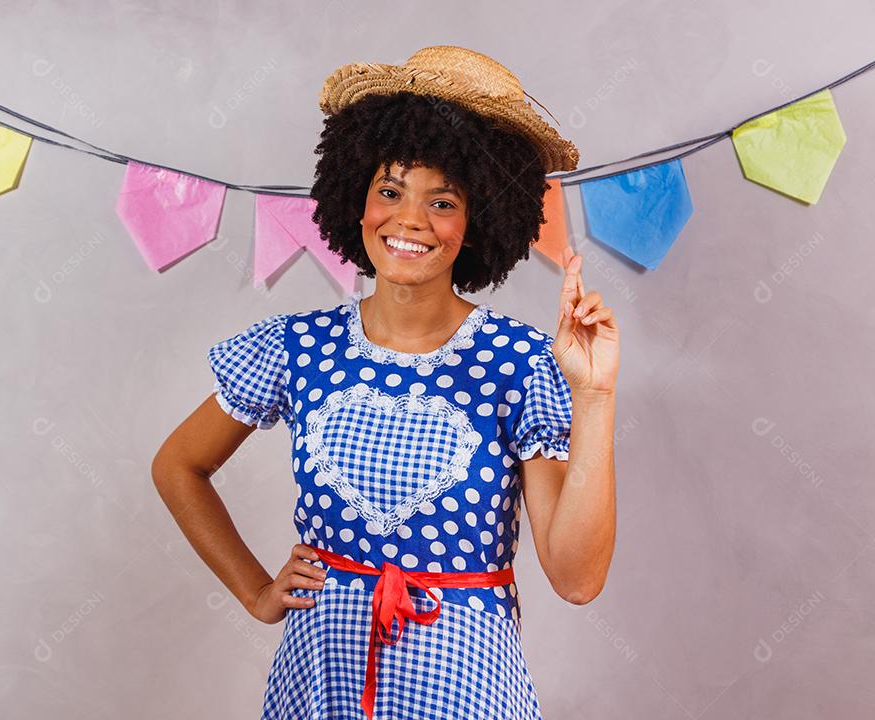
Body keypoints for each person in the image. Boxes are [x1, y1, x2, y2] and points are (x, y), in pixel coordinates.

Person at [153, 46, 619, 720]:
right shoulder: (298, 346)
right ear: (356, 196)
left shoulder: (519, 363)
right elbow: (178, 465)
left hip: (464, 689)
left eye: (444, 200)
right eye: (390, 190)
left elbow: (577, 579)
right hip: (321, 680)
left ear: (480, 219)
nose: (409, 220)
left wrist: (596, 396)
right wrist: (257, 592)